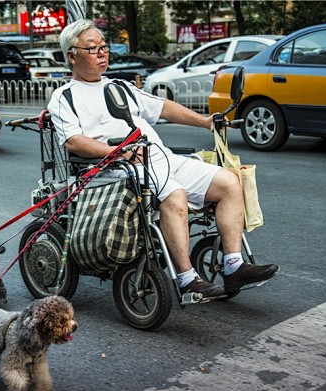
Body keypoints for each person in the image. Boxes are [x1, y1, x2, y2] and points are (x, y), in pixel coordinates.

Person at [47, 19, 279, 299]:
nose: (102, 53)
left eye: (104, 47)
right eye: (92, 48)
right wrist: (117, 152)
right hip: (115, 171)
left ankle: (233, 266)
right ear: (71, 55)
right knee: (174, 194)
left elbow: (163, 107)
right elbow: (73, 141)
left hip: (159, 159)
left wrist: (205, 122)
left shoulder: (120, 86)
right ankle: (186, 278)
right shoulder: (64, 96)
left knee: (229, 182)